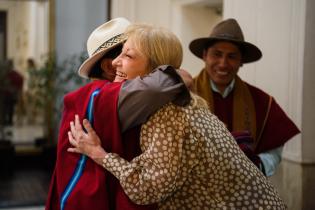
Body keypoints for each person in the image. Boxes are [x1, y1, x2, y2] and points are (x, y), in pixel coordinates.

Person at [68, 23, 287, 209]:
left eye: (127, 55)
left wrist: (99, 154)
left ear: (156, 71)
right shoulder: (185, 101)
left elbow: (147, 189)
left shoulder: (168, 113)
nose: (115, 63)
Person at [45, 18, 189, 210]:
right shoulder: (108, 96)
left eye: (129, 54)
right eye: (125, 53)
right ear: (109, 66)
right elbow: (174, 80)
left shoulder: (90, 96)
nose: (119, 60)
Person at [189, 18, 300, 176]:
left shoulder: (261, 101)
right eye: (217, 54)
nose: (223, 63)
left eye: (232, 56)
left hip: (245, 192)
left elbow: (274, 150)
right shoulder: (185, 97)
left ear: (241, 61)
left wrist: (256, 167)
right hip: (196, 192)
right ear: (205, 55)